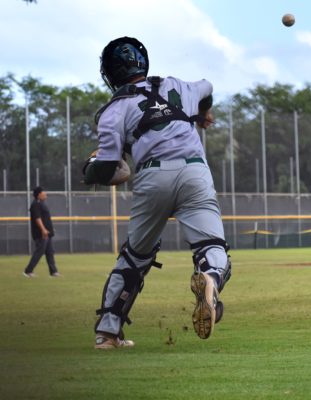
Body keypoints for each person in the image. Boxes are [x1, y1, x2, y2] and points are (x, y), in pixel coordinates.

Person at [84, 37, 231, 349]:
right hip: (194, 171)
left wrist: (89, 168)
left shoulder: (113, 110)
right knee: (212, 246)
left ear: (110, 73)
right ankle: (209, 279)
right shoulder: (177, 85)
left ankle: (107, 333)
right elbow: (208, 86)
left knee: (134, 257)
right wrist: (203, 113)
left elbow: (110, 166)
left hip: (152, 174)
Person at [23, 186, 60, 278]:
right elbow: (37, 218)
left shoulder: (42, 204)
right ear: (39, 194)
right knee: (39, 252)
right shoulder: (35, 204)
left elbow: (45, 219)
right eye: (43, 192)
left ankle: (53, 272)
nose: (45, 194)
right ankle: (28, 271)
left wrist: (50, 229)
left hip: (47, 233)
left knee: (50, 252)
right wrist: (43, 229)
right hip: (41, 234)